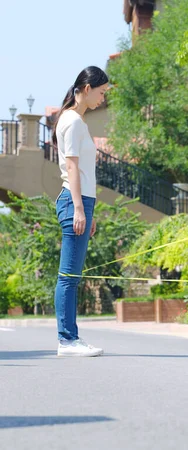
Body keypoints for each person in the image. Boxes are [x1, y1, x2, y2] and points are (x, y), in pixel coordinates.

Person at [52, 66, 109, 357]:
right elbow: (72, 167)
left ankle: (70, 338)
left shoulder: (77, 121)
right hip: (74, 201)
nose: (102, 98)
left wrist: (89, 209)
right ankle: (67, 340)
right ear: (87, 89)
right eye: (101, 92)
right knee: (68, 275)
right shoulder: (72, 121)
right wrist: (78, 208)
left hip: (82, 201)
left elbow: (83, 171)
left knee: (71, 275)